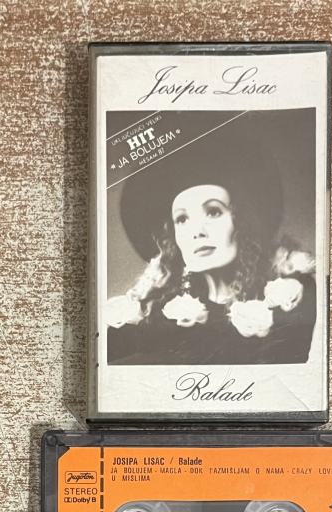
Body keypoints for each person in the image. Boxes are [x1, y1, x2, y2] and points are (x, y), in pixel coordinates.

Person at [106, 114, 316, 365]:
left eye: (213, 212)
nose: (197, 231)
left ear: (241, 223)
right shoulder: (159, 318)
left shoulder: (291, 299)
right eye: (182, 219)